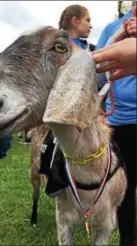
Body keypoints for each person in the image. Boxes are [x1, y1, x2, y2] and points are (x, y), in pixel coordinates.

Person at [40, 4, 93, 197]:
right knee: (59, 147)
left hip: (87, 112)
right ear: (75, 21)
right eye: (88, 20)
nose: (90, 25)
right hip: (64, 111)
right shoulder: (58, 49)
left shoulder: (87, 48)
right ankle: (56, 180)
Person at [94, 1, 136, 245]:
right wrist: (117, 41)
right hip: (119, 125)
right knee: (124, 191)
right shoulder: (112, 28)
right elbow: (97, 75)